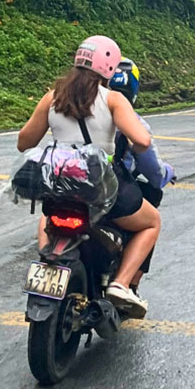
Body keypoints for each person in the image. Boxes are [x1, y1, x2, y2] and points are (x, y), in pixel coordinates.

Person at [17, 35, 160, 317]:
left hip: (59, 181)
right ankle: (121, 284)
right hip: (100, 186)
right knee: (151, 222)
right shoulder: (113, 99)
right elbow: (143, 141)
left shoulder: (53, 97)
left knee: (48, 213)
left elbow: (24, 143)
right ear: (110, 68)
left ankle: (48, 262)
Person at [110, 59, 175, 305]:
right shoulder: (134, 122)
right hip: (109, 190)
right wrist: (168, 172)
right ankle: (127, 283)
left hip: (68, 183)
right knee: (151, 219)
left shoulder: (77, 109)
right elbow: (153, 171)